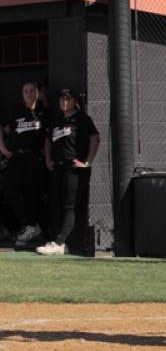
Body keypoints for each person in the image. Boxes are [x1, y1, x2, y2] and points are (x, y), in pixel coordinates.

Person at [36, 88, 100, 255]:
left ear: (74, 101)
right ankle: (61, 242)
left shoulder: (82, 119)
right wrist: (48, 159)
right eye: (62, 99)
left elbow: (95, 138)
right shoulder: (56, 121)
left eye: (68, 99)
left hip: (74, 168)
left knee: (70, 206)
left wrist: (87, 162)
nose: (64, 102)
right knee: (57, 204)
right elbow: (48, 140)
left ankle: (58, 243)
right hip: (58, 168)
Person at [0, 81, 49, 246]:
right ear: (22, 94)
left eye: (32, 91)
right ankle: (29, 224)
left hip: (34, 159)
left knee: (32, 195)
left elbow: (48, 136)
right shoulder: (16, 110)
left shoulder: (43, 111)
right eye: (25, 91)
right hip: (16, 157)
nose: (28, 94)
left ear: (37, 93)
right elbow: (3, 128)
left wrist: (46, 153)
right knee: (9, 192)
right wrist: (3, 148)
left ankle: (32, 227)